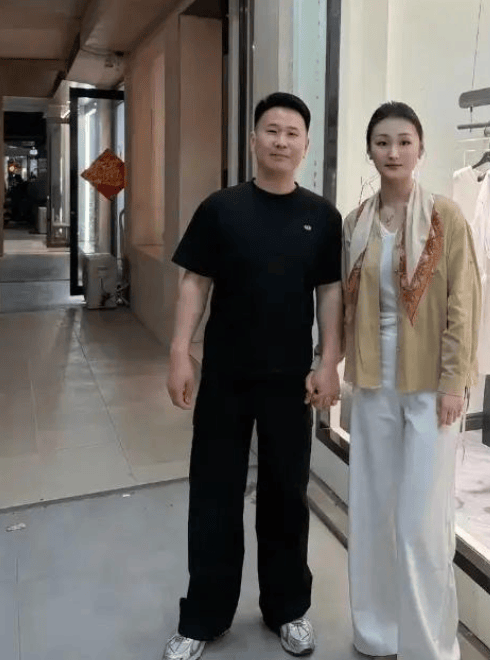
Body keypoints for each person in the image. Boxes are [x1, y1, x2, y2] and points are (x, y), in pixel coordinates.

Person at [162, 92, 342, 660]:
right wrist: (179, 352)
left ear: (306, 146)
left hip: (292, 380)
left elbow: (330, 293)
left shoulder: (322, 216)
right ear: (253, 140)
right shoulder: (221, 209)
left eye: (292, 133)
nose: (281, 141)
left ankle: (287, 609)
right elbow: (195, 282)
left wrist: (328, 361)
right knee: (214, 494)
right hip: (226, 376)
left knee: (286, 495)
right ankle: (204, 617)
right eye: (271, 130)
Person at [342, 102, 481, 660]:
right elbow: (343, 303)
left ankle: (429, 646)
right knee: (372, 508)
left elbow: (463, 304)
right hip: (372, 379)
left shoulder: (447, 216)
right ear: (369, 150)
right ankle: (377, 634)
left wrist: (454, 382)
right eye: (382, 142)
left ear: (421, 149)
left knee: (422, 520)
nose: (393, 152)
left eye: (404, 141)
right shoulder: (356, 222)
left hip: (430, 384)